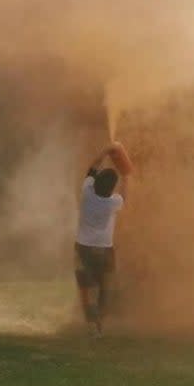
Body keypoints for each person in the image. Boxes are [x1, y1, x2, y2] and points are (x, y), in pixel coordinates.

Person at [75, 142, 129, 338]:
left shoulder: (87, 192)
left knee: (88, 287)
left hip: (83, 249)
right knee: (105, 287)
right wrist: (125, 175)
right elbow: (125, 195)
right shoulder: (112, 203)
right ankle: (99, 322)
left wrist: (105, 150)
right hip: (105, 251)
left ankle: (93, 324)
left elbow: (93, 167)